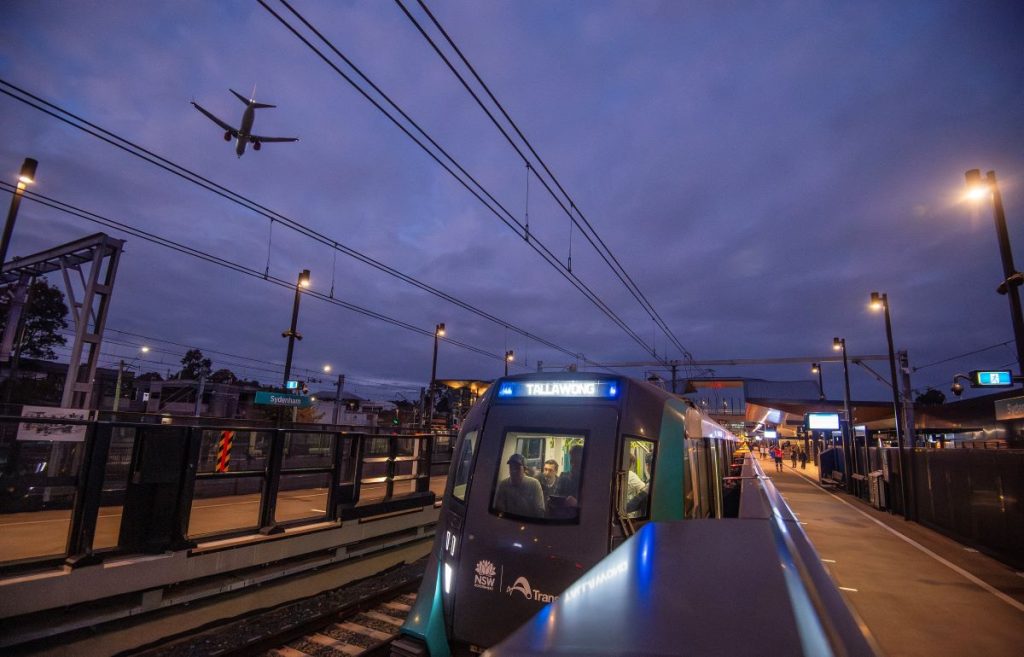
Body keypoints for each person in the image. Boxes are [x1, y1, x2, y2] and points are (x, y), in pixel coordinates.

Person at [494, 453, 545, 517]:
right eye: (511, 467)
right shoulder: (504, 484)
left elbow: (540, 511)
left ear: (524, 469)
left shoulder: (534, 484)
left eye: (517, 468)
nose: (513, 471)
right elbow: (499, 509)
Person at [553, 444, 584, 509]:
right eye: (572, 460)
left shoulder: (589, 480)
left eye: (577, 461)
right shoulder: (563, 477)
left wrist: (577, 504)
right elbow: (555, 496)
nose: (573, 464)